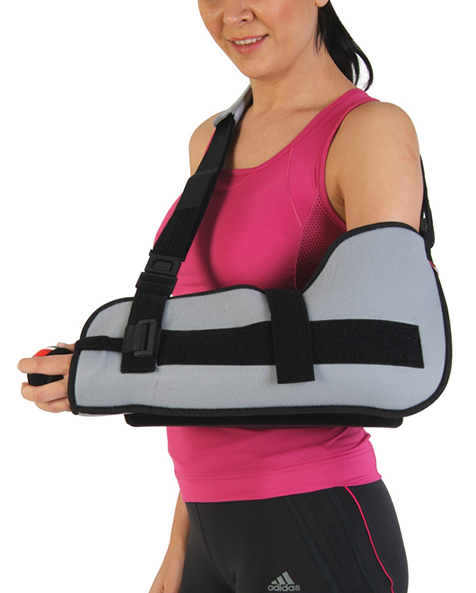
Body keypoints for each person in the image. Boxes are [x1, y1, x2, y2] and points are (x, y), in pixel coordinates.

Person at [18, 1, 425, 592]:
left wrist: (116, 373)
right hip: (210, 524)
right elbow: (213, 359)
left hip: (313, 511)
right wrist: (180, 546)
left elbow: (382, 347)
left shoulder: (369, 131)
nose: (233, 12)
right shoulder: (210, 140)